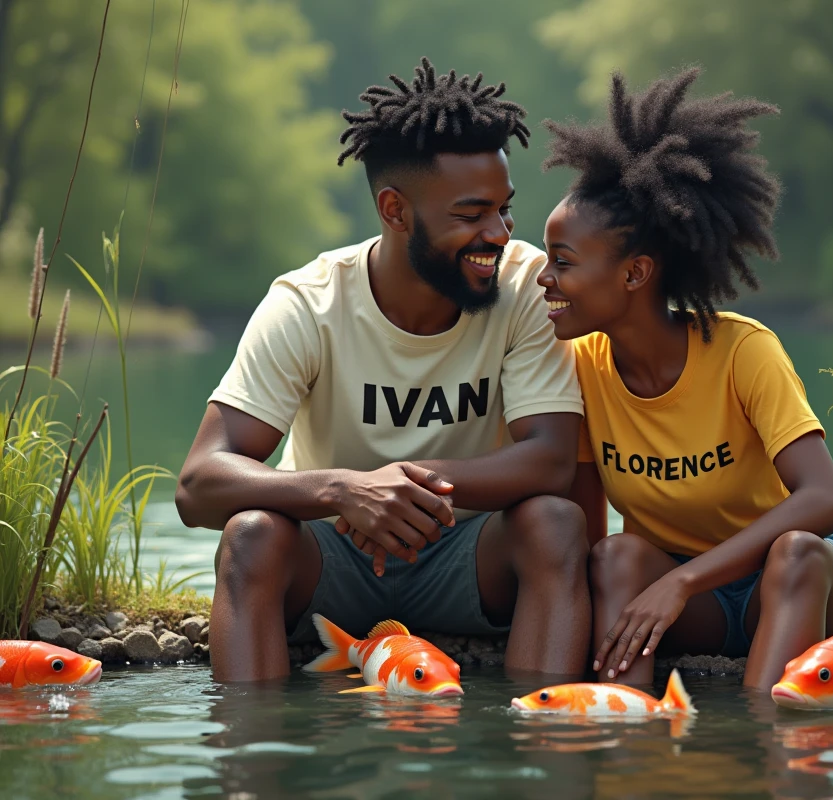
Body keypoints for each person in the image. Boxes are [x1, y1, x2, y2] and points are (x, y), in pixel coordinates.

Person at [176, 58, 591, 683]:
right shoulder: (308, 304)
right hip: (333, 553)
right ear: (395, 210)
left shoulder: (525, 288)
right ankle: (252, 756)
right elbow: (200, 481)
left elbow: (551, 461)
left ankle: (544, 744)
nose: (499, 234)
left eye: (504, 210)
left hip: (468, 556)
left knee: (557, 525)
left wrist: (399, 491)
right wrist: (345, 491)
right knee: (252, 535)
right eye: (471, 214)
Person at [536, 67, 833, 691]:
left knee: (794, 551)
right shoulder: (578, 370)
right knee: (614, 556)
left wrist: (682, 580)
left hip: (795, 585)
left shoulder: (743, 350)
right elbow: (588, 536)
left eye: (563, 262)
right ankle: (623, 731)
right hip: (695, 607)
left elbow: (826, 501)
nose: (542, 279)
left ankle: (769, 739)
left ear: (635, 274)